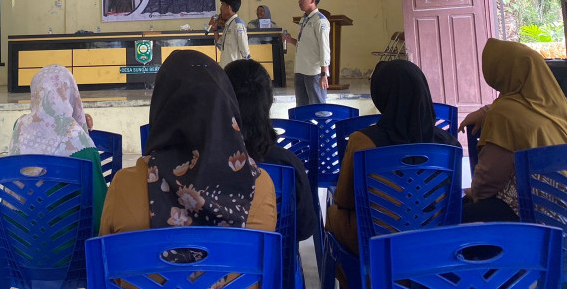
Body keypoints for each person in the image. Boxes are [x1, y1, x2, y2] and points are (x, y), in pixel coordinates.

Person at [99, 49, 276, 234]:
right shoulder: (259, 188)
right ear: (225, 106)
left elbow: (104, 259)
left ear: (161, 105)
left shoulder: (124, 187)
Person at [325, 59, 460, 256]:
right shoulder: (449, 145)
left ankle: (355, 278)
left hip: (377, 241)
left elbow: (345, 200)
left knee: (333, 213)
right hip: (434, 239)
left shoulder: (362, 142)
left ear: (382, 96)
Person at [458, 39, 567, 223]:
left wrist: (472, 193)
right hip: (561, 208)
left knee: (456, 216)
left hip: (534, 215)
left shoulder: (504, 114)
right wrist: (486, 111)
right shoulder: (556, 102)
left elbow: (488, 182)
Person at [225, 58, 318, 241]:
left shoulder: (202, 164)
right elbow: (305, 229)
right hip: (277, 265)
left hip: (222, 267)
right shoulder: (289, 164)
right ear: (268, 102)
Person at [9, 64, 107, 233]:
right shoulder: (80, 144)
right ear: (70, 93)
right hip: (67, 253)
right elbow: (100, 213)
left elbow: (48, 126)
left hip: (18, 245)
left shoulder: (19, 128)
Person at [283, 0, 331, 105]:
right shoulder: (304, 19)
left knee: (318, 107)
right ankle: (304, 124)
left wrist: (324, 74)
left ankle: (321, 124)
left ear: (312, 0)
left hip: (314, 72)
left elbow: (324, 47)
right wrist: (290, 40)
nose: (299, 1)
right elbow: (304, 44)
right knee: (301, 107)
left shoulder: (320, 21)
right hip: (300, 70)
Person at [208, 0, 250, 68]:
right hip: (225, 68)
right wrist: (215, 31)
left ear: (229, 7)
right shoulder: (228, 25)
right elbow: (221, 46)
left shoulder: (238, 24)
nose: (220, 8)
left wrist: (244, 70)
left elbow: (245, 52)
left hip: (235, 69)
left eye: (222, 5)